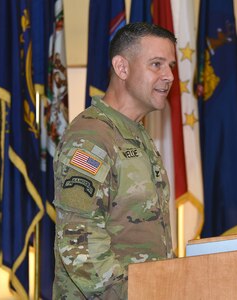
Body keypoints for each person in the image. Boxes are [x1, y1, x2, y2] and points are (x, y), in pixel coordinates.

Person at [52, 22, 177, 299]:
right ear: (122, 68)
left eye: (171, 66)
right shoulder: (92, 137)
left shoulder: (137, 133)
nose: (169, 76)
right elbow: (80, 245)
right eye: (156, 64)